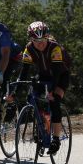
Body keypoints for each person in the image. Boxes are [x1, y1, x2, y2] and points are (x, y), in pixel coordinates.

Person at [11, 21, 71, 154]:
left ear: (47, 37)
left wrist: (51, 91)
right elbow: (23, 73)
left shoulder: (55, 48)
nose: (40, 43)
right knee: (31, 98)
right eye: (36, 40)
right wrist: (15, 92)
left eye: (43, 39)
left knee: (54, 101)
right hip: (43, 75)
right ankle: (41, 127)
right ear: (31, 39)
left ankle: (56, 139)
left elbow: (56, 73)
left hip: (60, 75)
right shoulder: (28, 49)